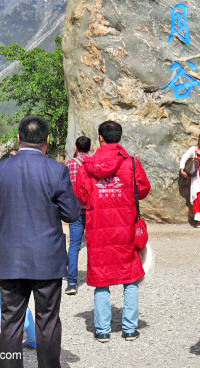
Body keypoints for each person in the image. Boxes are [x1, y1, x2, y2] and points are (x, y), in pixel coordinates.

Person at [0, 115, 81, 368]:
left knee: (11, 320)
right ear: (47, 140)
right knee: (47, 320)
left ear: (18, 138)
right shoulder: (57, 170)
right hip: (47, 257)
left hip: (12, 257)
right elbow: (71, 213)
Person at [75, 121, 151, 343]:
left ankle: (102, 330)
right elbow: (144, 189)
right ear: (119, 137)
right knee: (130, 278)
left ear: (100, 138)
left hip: (98, 229)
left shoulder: (86, 167)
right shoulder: (132, 164)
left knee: (101, 280)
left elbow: (81, 196)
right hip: (125, 228)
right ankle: (129, 329)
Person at [64, 136, 91, 295]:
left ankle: (72, 283)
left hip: (74, 210)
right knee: (94, 245)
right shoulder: (94, 164)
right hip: (92, 210)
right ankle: (97, 278)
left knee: (74, 245)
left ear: (75, 148)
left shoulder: (68, 164)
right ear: (90, 147)